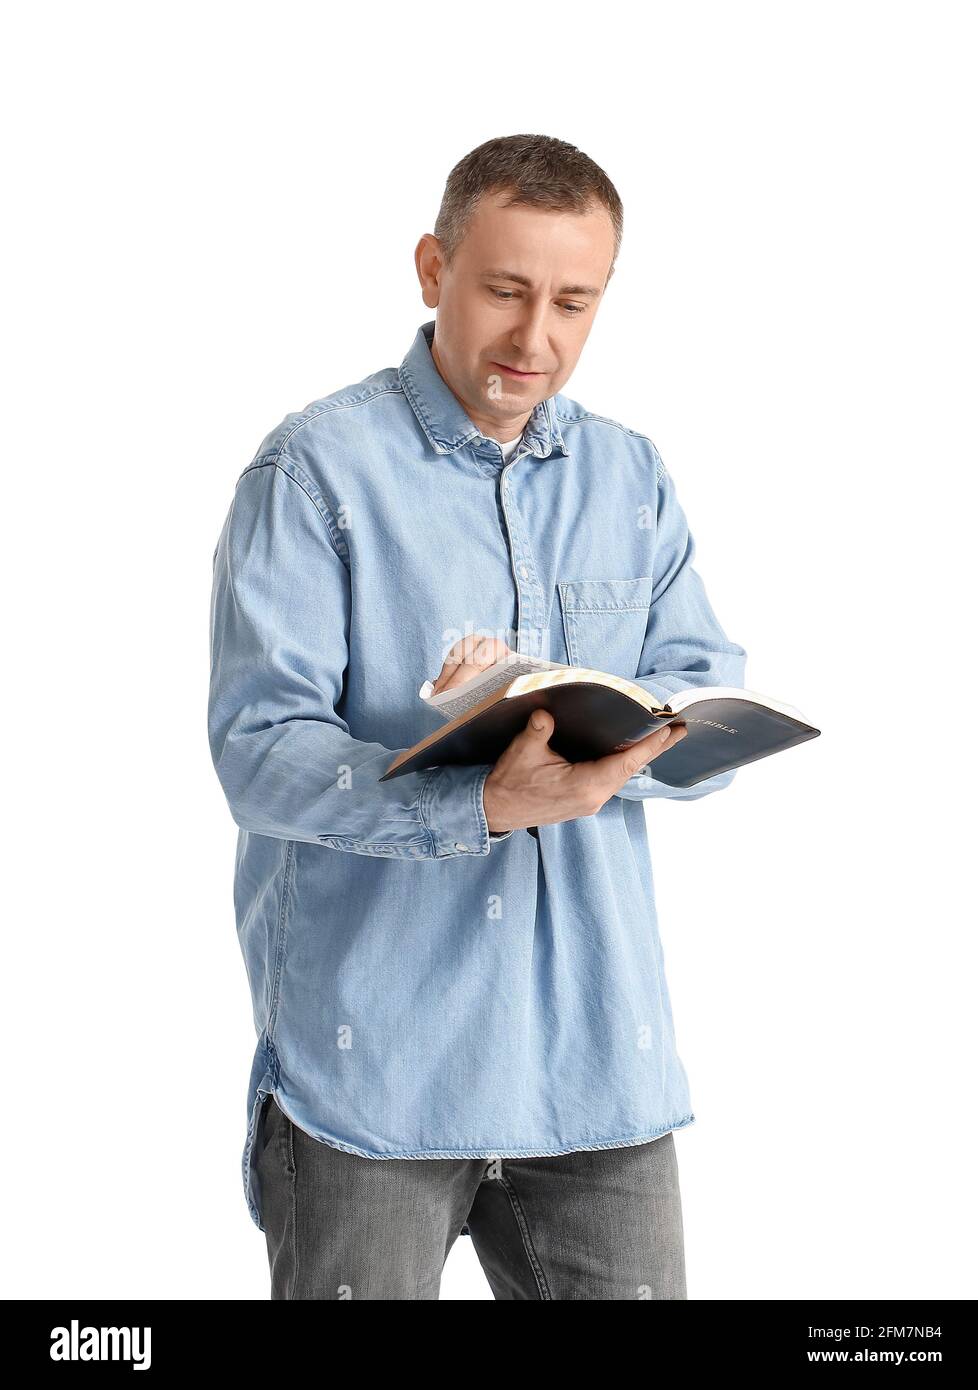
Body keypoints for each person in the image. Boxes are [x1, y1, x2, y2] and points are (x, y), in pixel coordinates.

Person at [207, 132, 747, 1300]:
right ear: (429, 268)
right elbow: (259, 751)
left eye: (573, 302)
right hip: (371, 1076)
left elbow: (697, 686)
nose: (534, 339)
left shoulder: (629, 475)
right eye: (504, 290)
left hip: (594, 1065)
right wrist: (479, 798)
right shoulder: (311, 475)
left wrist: (612, 739)